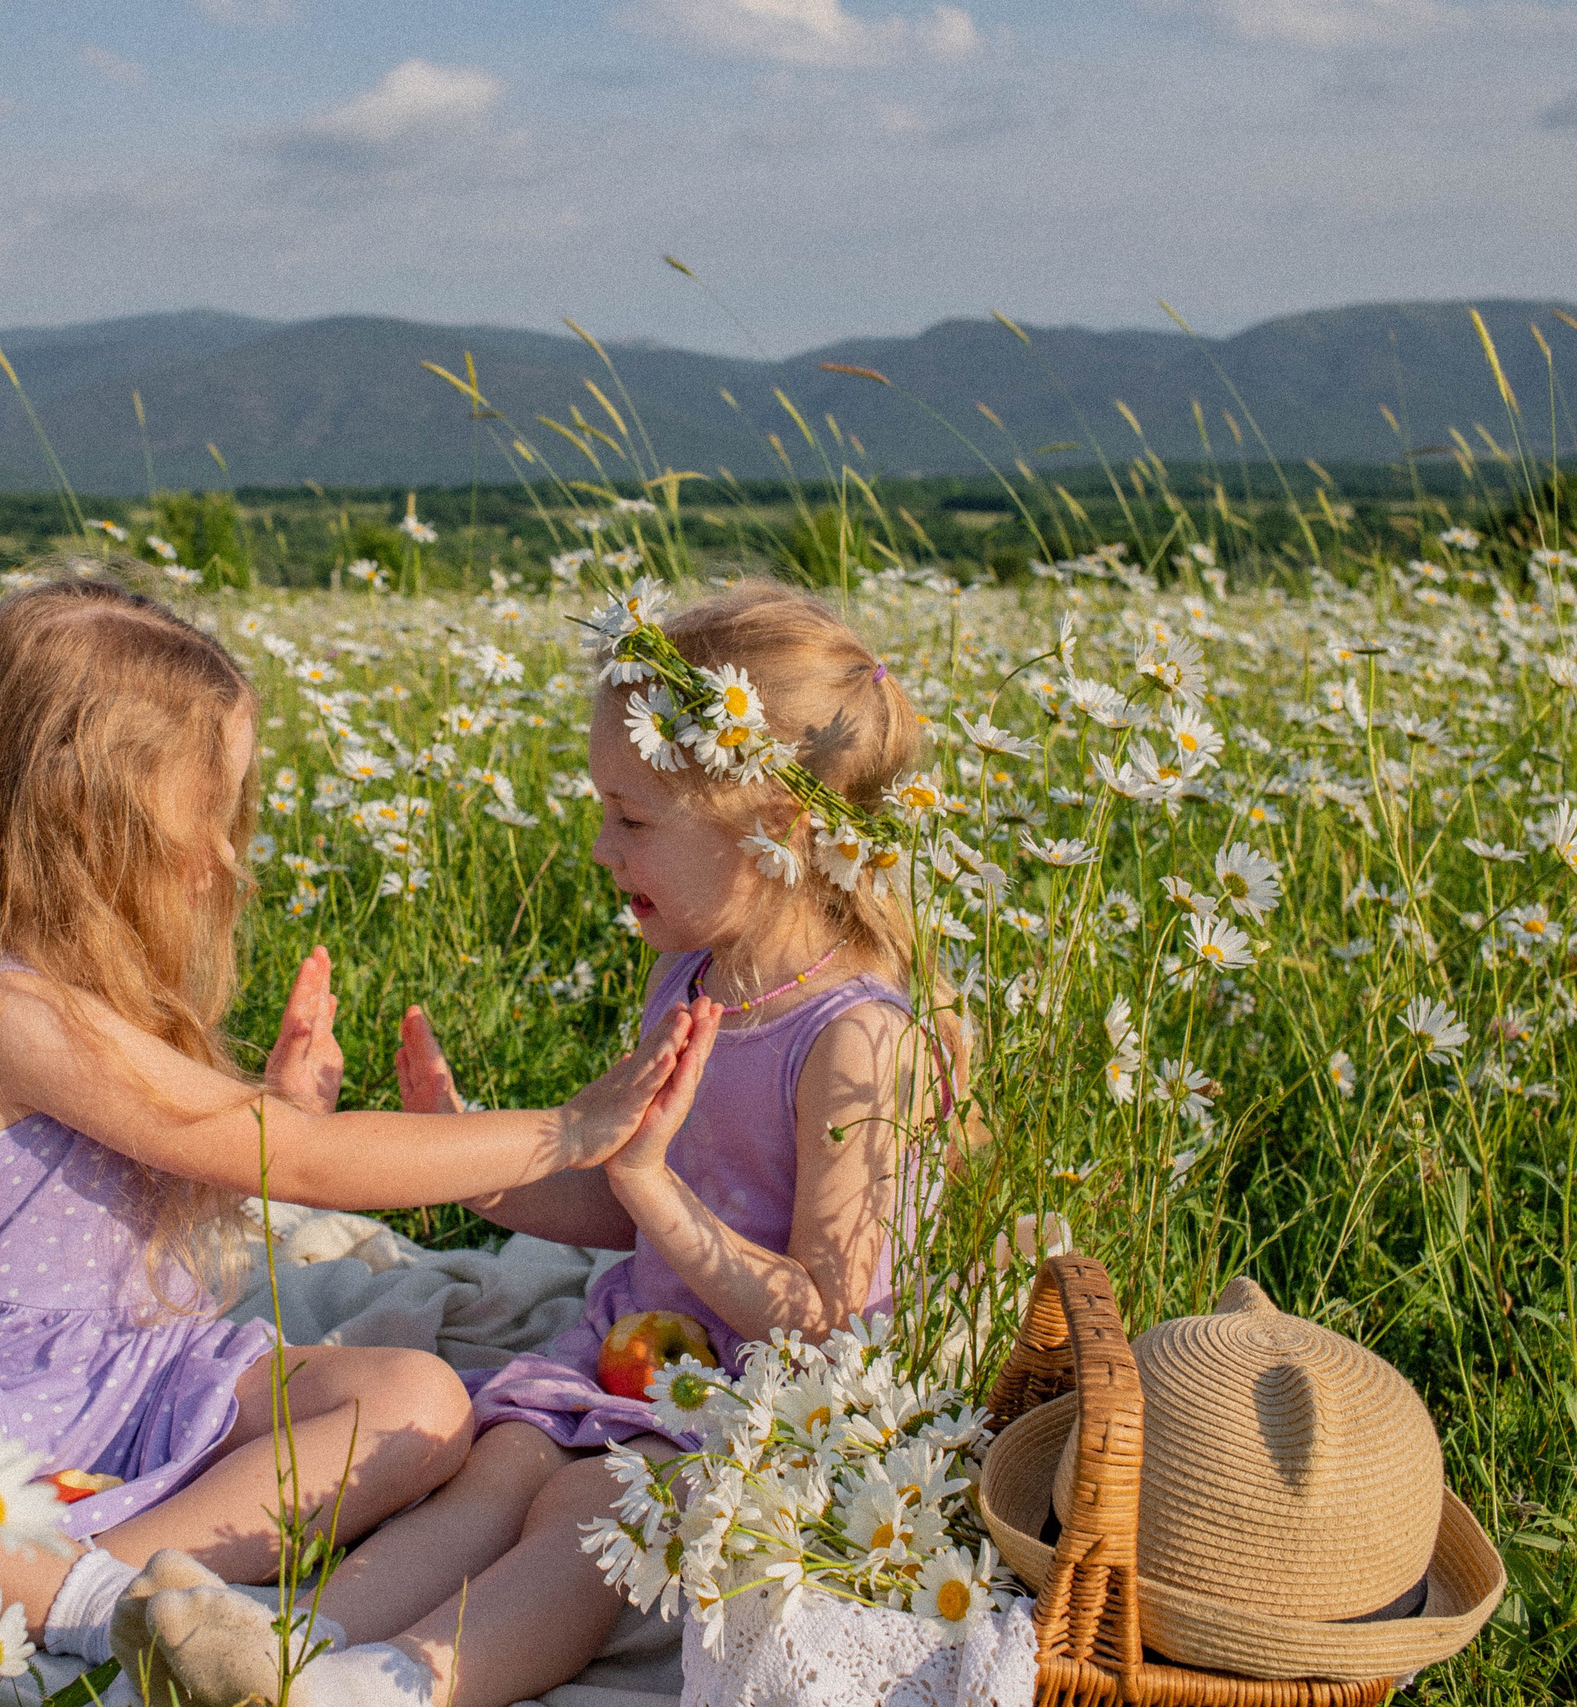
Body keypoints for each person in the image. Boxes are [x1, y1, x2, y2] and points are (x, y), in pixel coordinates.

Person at [0, 580, 720, 1676]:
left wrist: (274, 1114)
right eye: (205, 816)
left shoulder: (94, 994)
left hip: (141, 1373)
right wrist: (566, 1128)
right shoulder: (5, 1011)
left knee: (415, 1398)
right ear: (87, 816)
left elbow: (198, 1174)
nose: (223, 857)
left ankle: (96, 1580)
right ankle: (89, 1602)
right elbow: (300, 1168)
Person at [136, 581, 974, 1707]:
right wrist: (477, 1169)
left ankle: (384, 1688)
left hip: (777, 1401)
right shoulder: (691, 975)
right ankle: (274, 1646)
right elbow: (620, 1206)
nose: (597, 846)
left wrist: (644, 1188)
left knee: (589, 1520)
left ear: (771, 831)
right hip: (647, 1350)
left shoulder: (856, 1037)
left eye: (632, 819)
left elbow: (824, 1308)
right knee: (497, 1472)